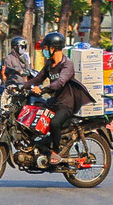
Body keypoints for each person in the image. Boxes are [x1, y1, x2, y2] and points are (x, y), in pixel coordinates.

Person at [28, 32, 94, 165]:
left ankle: (55, 152)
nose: (44, 51)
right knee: (36, 113)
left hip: (67, 104)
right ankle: (41, 146)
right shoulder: (49, 63)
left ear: (53, 48)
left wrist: (42, 89)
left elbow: (60, 82)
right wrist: (22, 86)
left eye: (46, 48)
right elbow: (38, 78)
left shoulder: (67, 64)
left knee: (54, 123)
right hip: (54, 101)